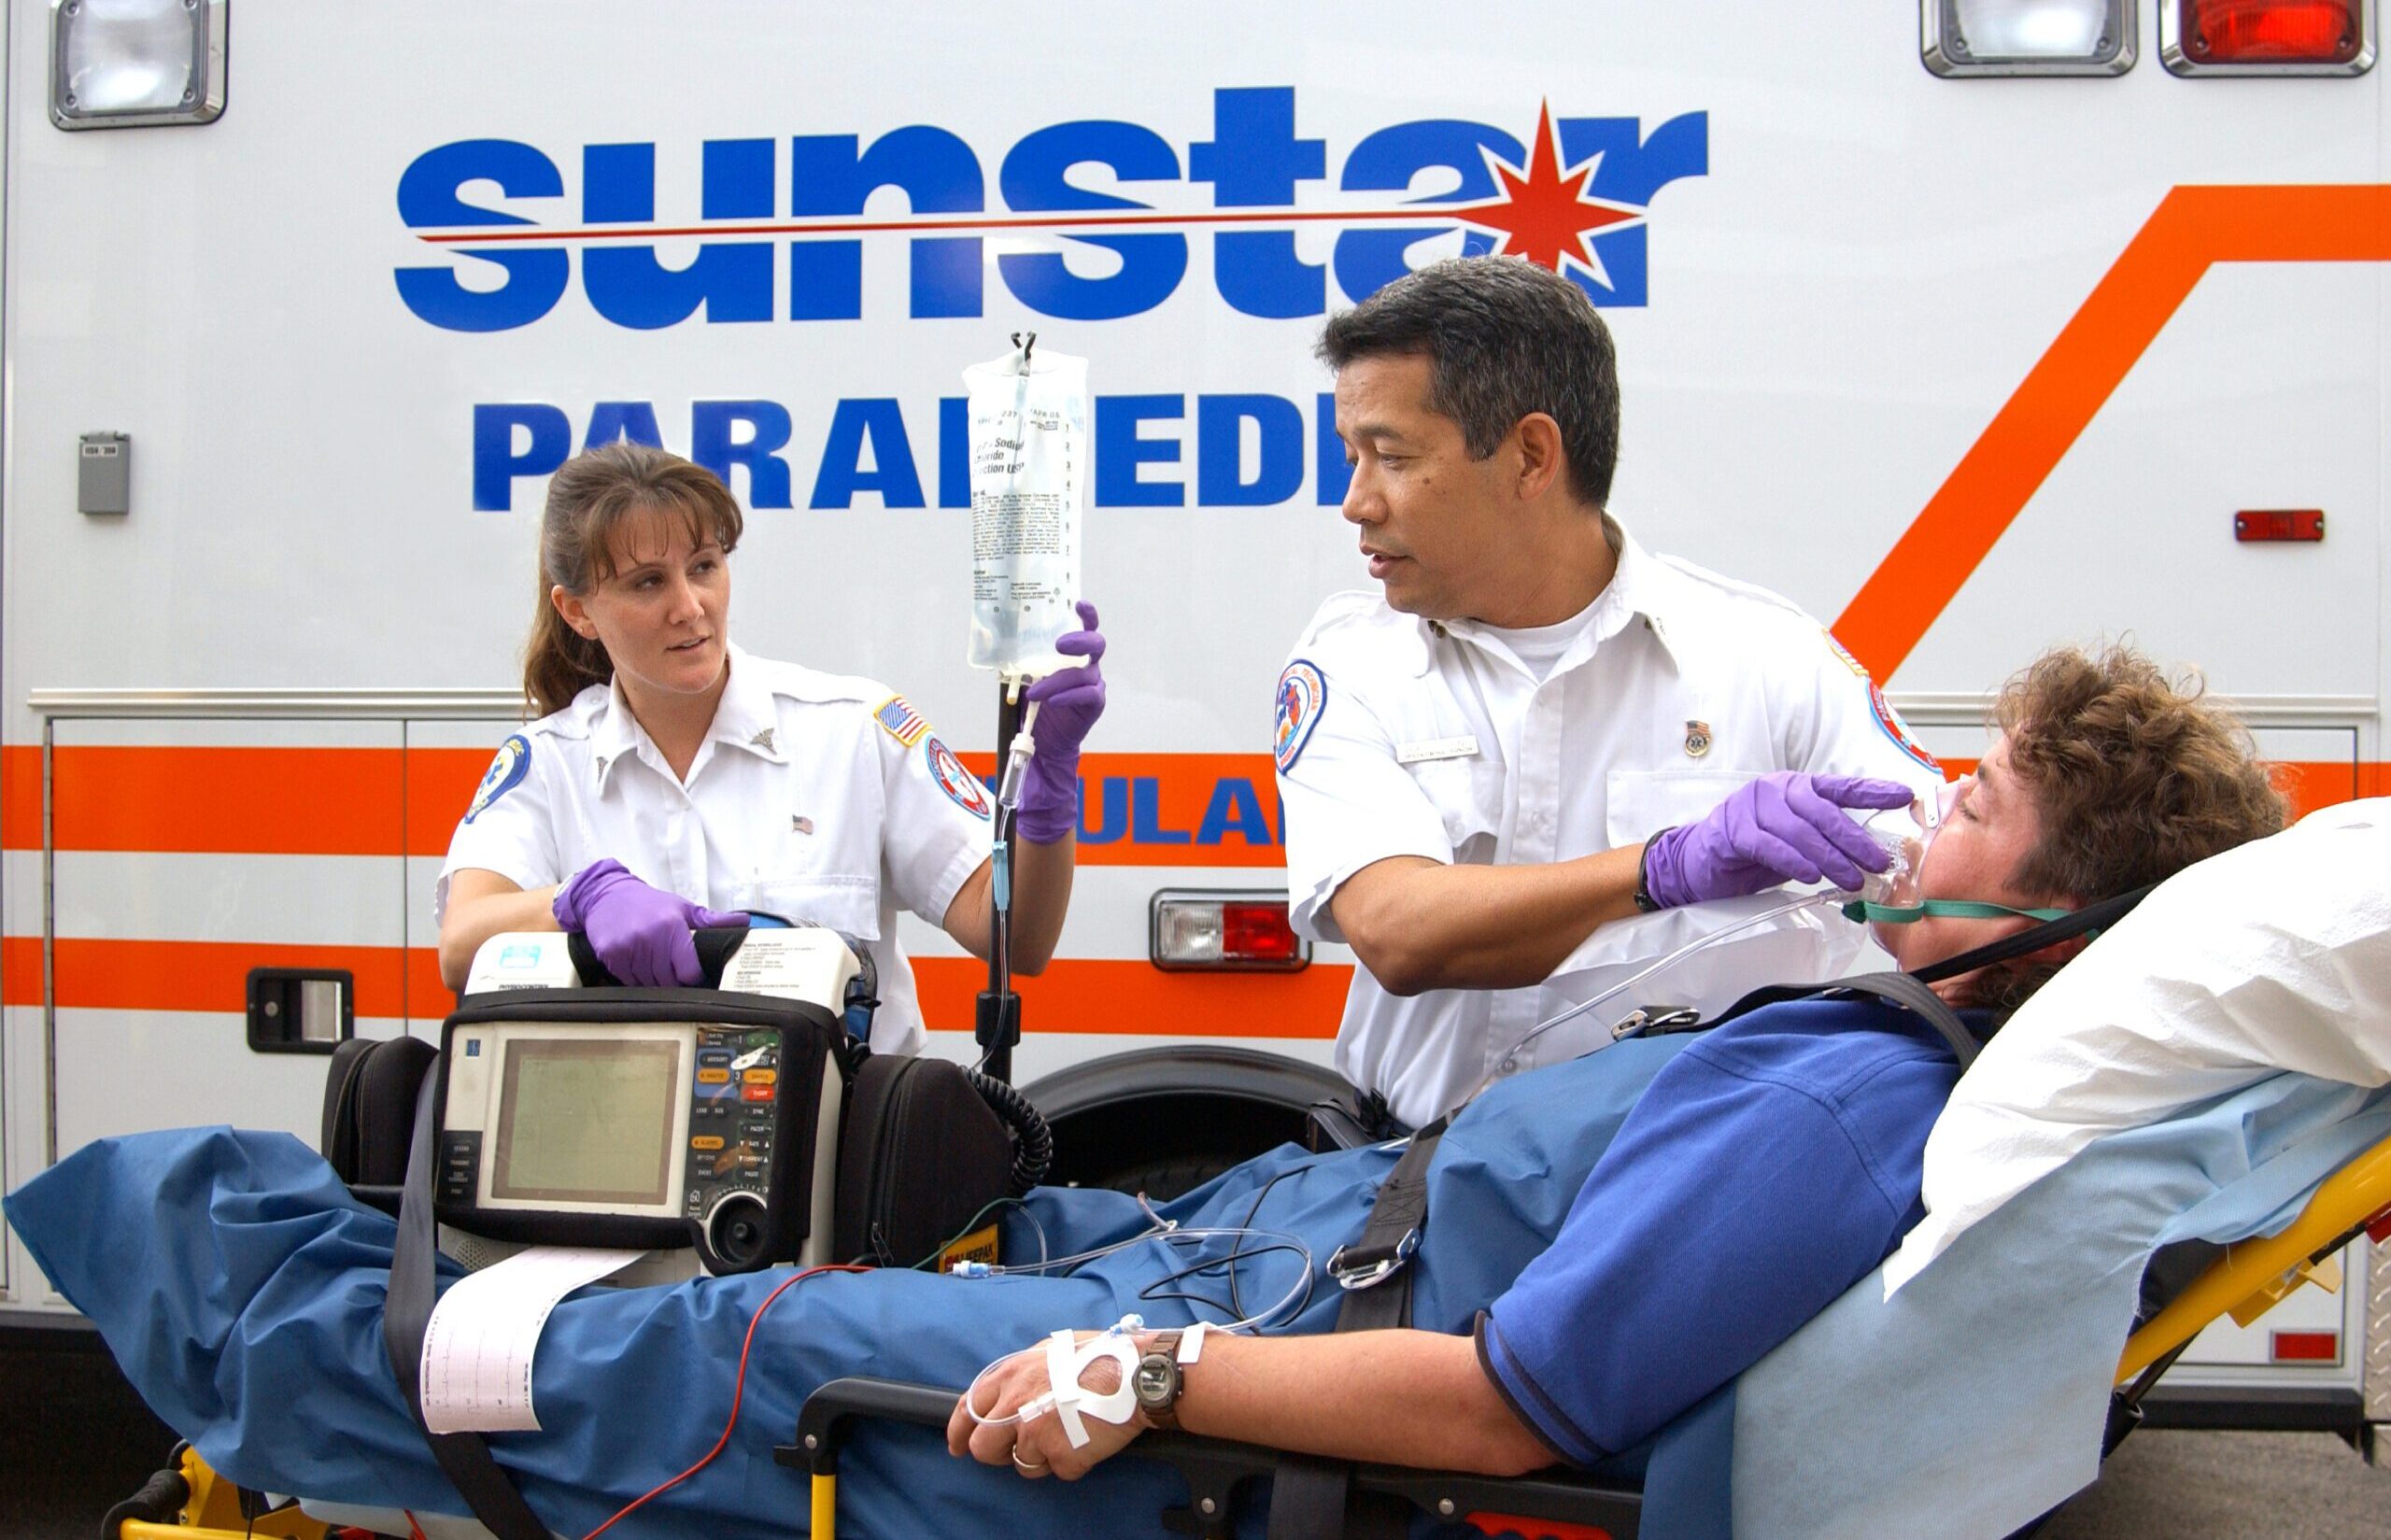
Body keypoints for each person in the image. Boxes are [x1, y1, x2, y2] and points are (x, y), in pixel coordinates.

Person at [957, 643, 2287, 1482]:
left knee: (763, 1330)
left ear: (1525, 456)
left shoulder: (1841, 1104)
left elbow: (1511, 1409)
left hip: (1275, 1311)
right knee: (936, 1196)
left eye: (1973, 798)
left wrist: (1154, 1370)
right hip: (1263, 1240)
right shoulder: (1866, 1043)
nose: (1360, 499)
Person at [1279, 256, 1947, 1129]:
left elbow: (1940, 880)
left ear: (1530, 456)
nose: (1356, 502)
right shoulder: (1351, 664)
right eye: (1351, 455)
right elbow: (1398, 930)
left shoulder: (1767, 657)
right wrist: (1663, 868)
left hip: (1690, 1196)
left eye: (1391, 456)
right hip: (1421, 1199)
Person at [434, 443, 1106, 1054]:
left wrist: (1048, 793)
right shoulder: (548, 763)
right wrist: (577, 900)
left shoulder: (855, 729)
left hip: (840, 1160)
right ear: (577, 609)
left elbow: (1020, 939)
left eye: (704, 566)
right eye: (647, 581)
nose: (690, 606)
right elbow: (460, 947)